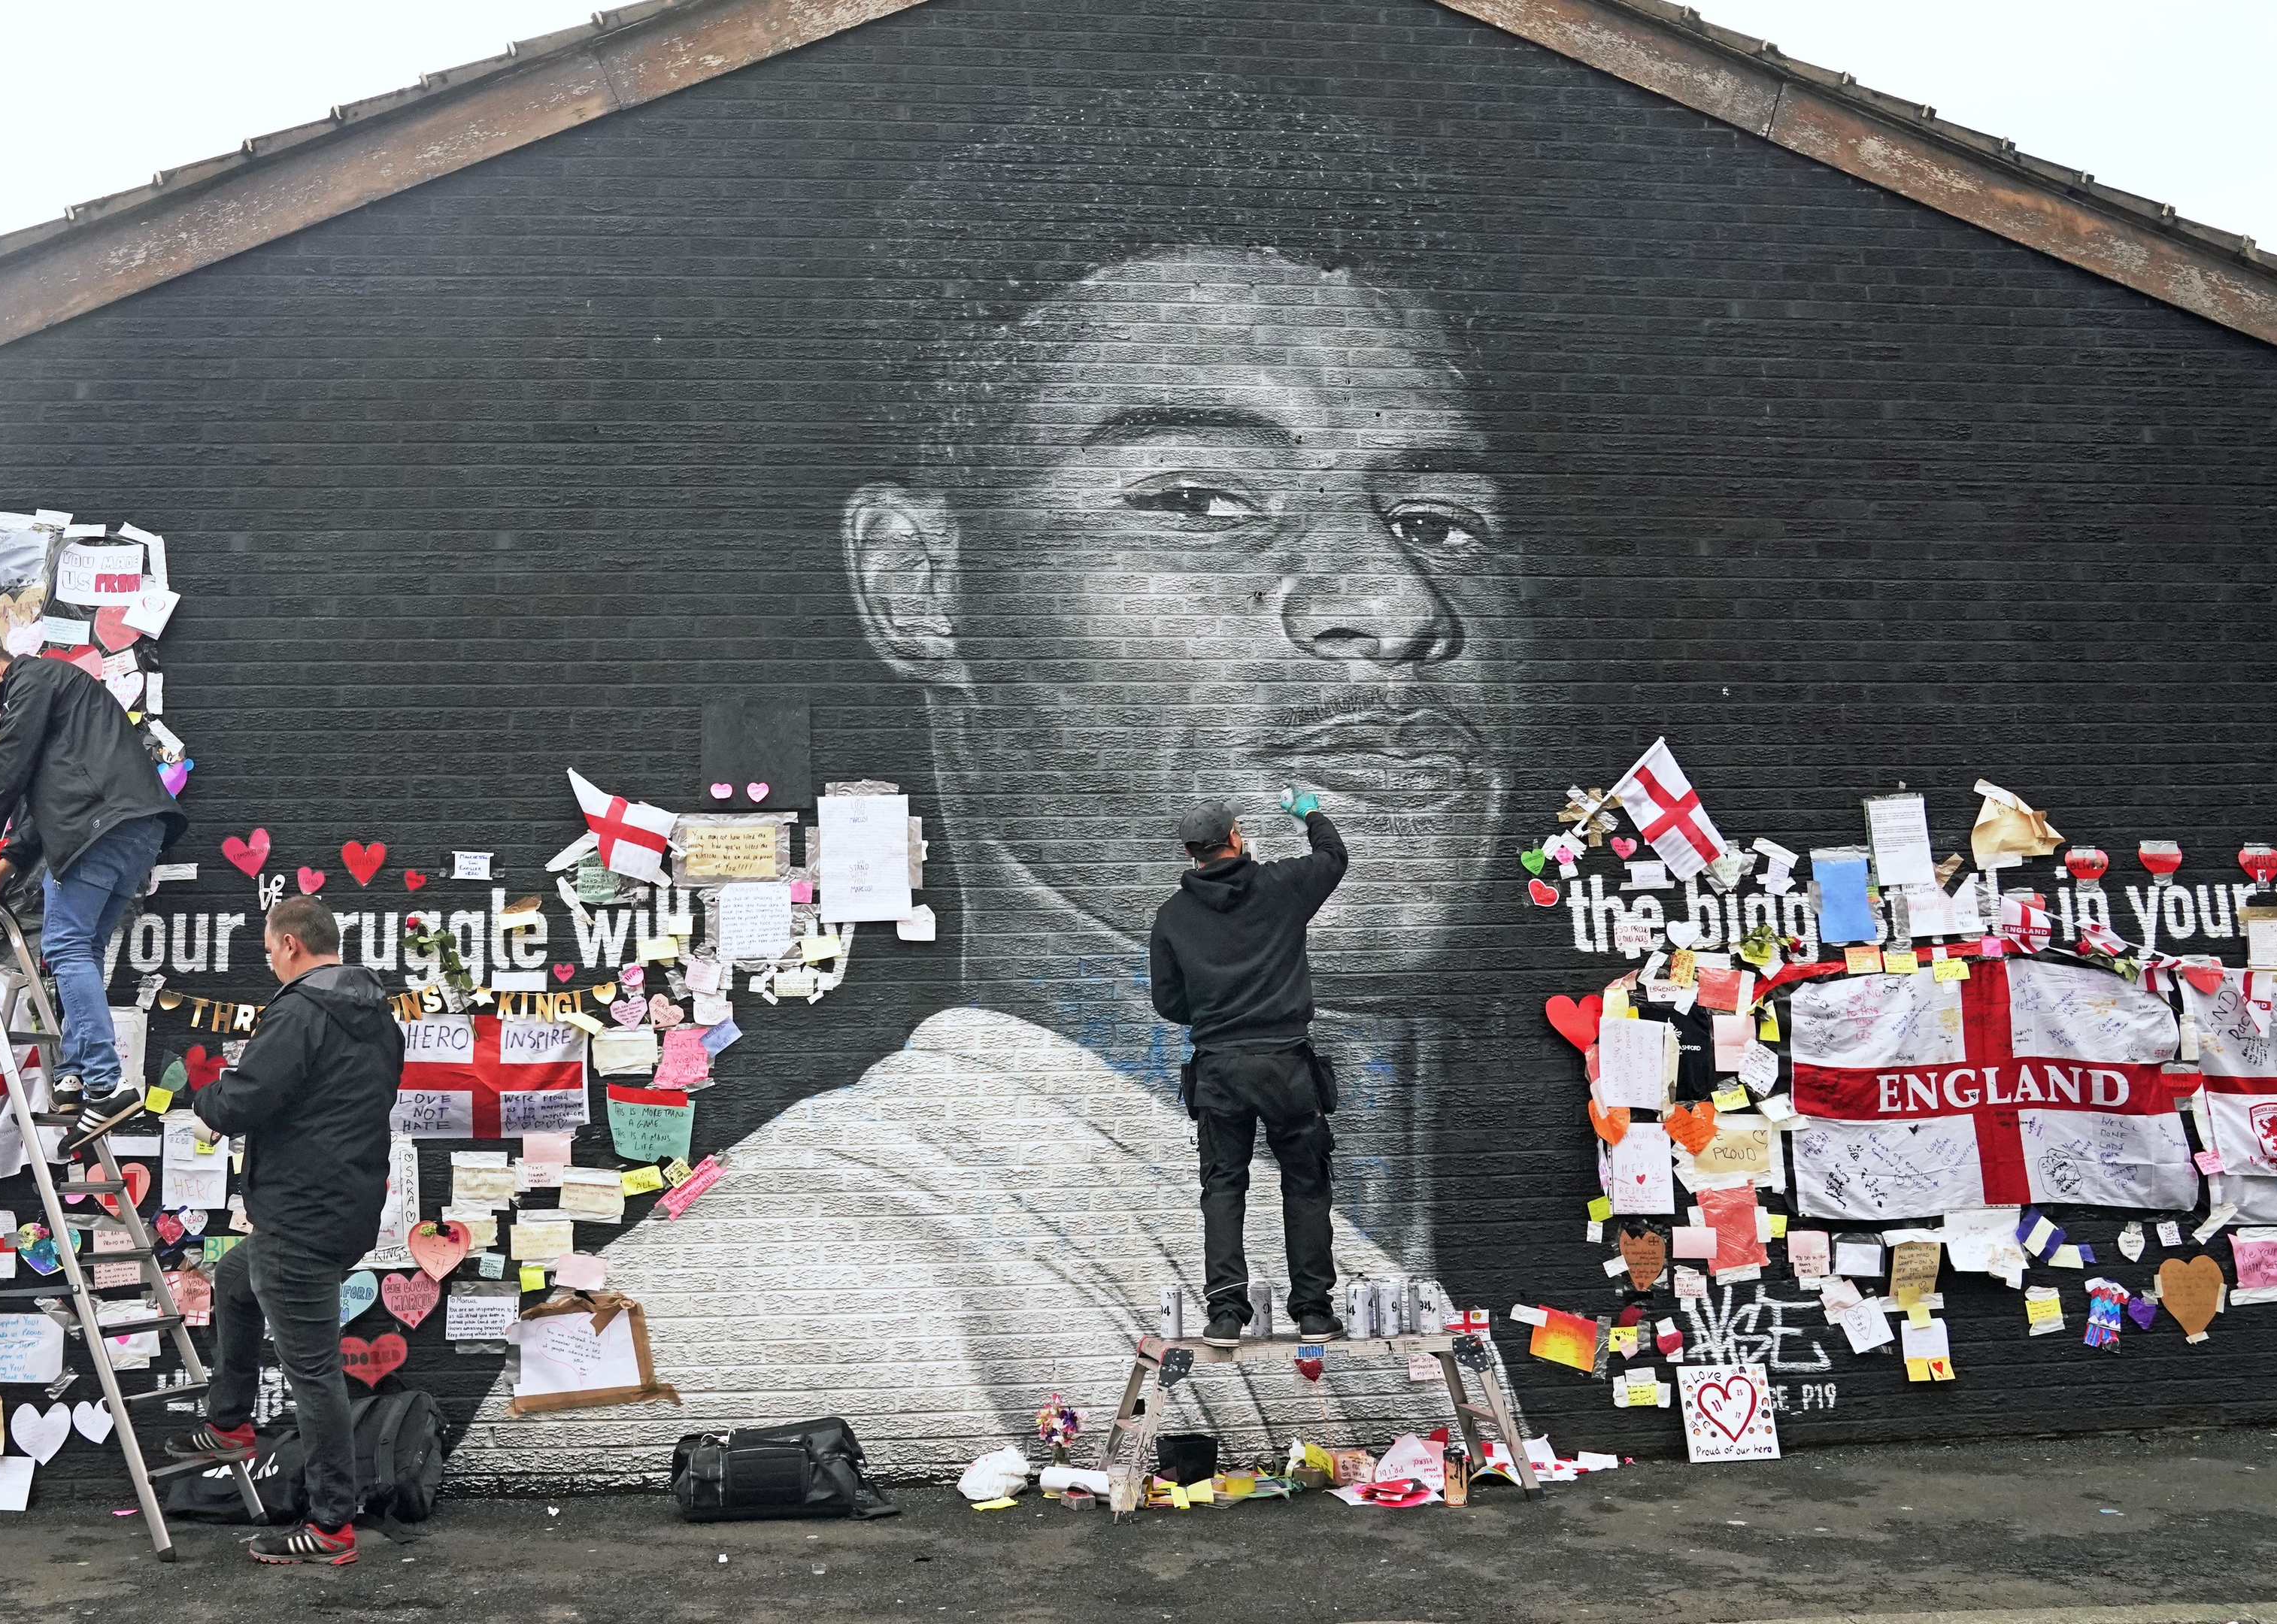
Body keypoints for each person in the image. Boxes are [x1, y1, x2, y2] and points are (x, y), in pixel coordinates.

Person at [461, 234, 1503, 1483]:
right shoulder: (780, 1310)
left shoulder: (1392, 1276)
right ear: (921, 588)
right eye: (1197, 502)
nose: (1395, 603)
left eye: (1442, 522)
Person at [162, 895, 402, 1565]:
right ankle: (231, 1424)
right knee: (236, 1280)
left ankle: (330, 1527)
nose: (268, 961)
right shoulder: (377, 1015)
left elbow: (246, 1099)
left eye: (268, 948)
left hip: (302, 1213)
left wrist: (202, 1102)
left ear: (292, 944)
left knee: (314, 1375)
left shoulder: (300, 1011)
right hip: (342, 1207)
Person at [0, 641, 186, 1150]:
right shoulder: (60, 699)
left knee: (66, 948)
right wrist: (4, 868)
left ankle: (106, 1083)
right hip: (133, 832)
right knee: (85, 952)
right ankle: (75, 1075)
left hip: (98, 830)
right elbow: (44, 796)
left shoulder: (31, 681)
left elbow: (8, 770)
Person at [1148, 792, 1348, 1348]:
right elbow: (1333, 857)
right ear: (1235, 838)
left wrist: (1215, 1010)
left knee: (1224, 1186)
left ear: (1191, 853)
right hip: (1286, 1064)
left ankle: (1226, 1315)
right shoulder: (1281, 886)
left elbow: (1168, 1003)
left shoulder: (1172, 916)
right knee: (1306, 1183)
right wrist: (1308, 813)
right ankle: (1312, 1311)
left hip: (1220, 1070)